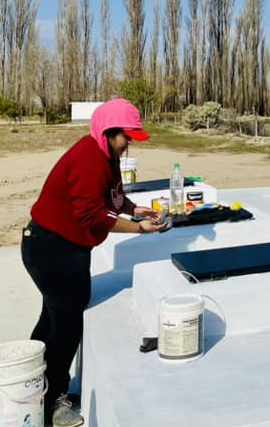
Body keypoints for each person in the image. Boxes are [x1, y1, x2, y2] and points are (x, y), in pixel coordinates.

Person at [21, 98, 168, 427]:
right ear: (108, 131)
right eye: (126, 135)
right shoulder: (89, 157)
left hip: (65, 248)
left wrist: (134, 209)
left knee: (52, 320)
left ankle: (30, 384)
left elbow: (109, 196)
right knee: (66, 324)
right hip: (51, 248)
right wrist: (138, 229)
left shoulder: (106, 154)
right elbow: (92, 214)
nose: (129, 142)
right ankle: (51, 403)